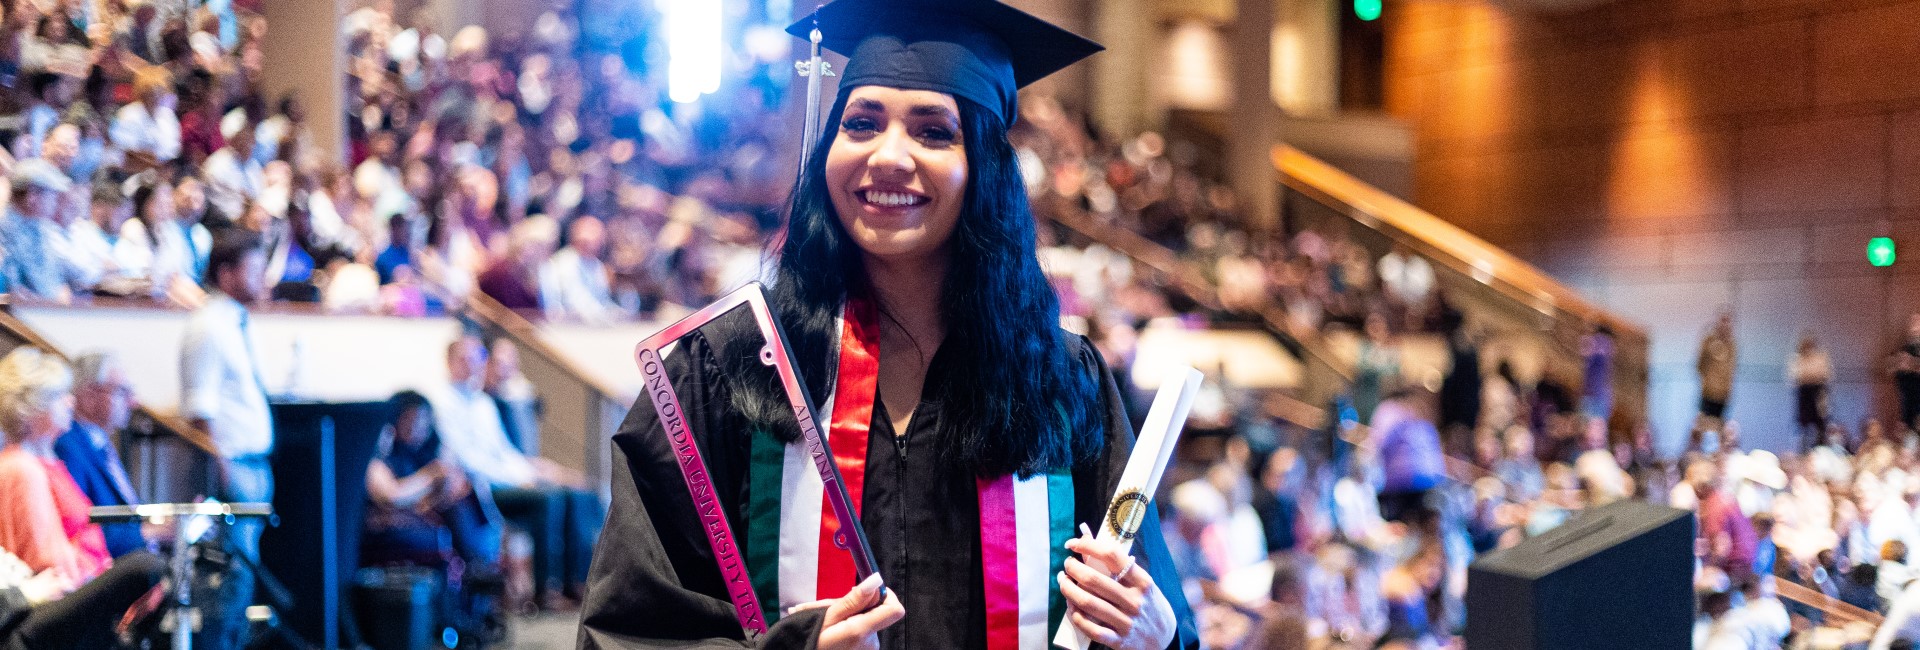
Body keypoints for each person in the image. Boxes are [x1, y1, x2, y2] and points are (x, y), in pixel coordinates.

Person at [578, 1, 1198, 647]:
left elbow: (1140, 605)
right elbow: (627, 631)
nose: (888, 157)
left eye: (933, 132)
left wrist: (1161, 639)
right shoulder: (729, 367)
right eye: (861, 122)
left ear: (983, 169)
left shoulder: (1062, 382)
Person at [434, 335, 599, 608]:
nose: (471, 366)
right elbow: (467, 461)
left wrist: (534, 473)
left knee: (575, 494)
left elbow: (504, 452)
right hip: (481, 489)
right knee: (549, 498)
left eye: (476, 359)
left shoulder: (482, 403)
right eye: (463, 359)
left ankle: (576, 582)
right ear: (449, 362)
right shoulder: (443, 402)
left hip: (506, 480)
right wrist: (523, 480)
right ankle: (546, 590)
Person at [179, 230, 273, 650]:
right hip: (232, 467)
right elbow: (202, 412)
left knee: (241, 577)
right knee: (226, 578)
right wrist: (224, 476)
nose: (263, 278)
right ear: (227, 272)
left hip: (251, 464)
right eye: (254, 269)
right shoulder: (208, 326)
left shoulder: (235, 320)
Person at [0, 348, 108, 580]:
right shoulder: (21, 467)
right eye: (59, 395)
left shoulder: (48, 461)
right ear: (32, 408)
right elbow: (44, 560)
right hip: (63, 590)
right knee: (143, 568)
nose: (71, 401)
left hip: (85, 575)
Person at [51, 352, 145, 557]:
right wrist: (149, 533)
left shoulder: (100, 445)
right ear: (88, 396)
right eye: (122, 392)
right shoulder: (67, 447)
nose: (133, 402)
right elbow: (76, 528)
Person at [0, 543, 167, 650]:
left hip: (31, 606)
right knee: (144, 568)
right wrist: (26, 593)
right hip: (13, 629)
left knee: (163, 575)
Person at [1, 159, 79, 301]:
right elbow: (14, 291)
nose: (56, 202)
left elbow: (56, 282)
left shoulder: (43, 228)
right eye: (53, 195)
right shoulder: (4, 230)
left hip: (48, 314)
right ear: (32, 195)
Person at [540, 215, 619, 323]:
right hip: (568, 325)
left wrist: (617, 313)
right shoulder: (563, 263)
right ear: (576, 238)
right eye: (587, 241)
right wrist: (605, 316)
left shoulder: (597, 265)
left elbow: (602, 299)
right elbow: (575, 302)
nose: (593, 245)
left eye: (597, 240)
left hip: (592, 324)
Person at [1791, 333, 1832, 450]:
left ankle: (1821, 449)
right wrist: (1809, 377)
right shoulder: (1797, 359)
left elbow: (1825, 375)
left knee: (1820, 423)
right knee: (1802, 425)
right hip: (1803, 394)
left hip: (1818, 393)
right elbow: (1795, 377)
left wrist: (1810, 377)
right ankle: (1802, 450)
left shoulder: (1821, 357)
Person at [1698, 312, 1737, 425]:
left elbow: (1731, 369)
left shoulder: (1732, 345)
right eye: (1723, 321)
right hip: (1708, 392)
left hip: (1724, 394)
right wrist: (1708, 381)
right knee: (1705, 426)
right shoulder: (1708, 341)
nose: (1725, 325)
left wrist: (1727, 388)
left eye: (1728, 322)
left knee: (1720, 426)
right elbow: (1700, 365)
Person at [1894, 313, 1920, 436]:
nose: (1915, 328)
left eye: (1918, 323)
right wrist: (1902, 368)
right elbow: (1900, 379)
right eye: (1913, 324)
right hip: (1910, 405)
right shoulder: (1904, 350)